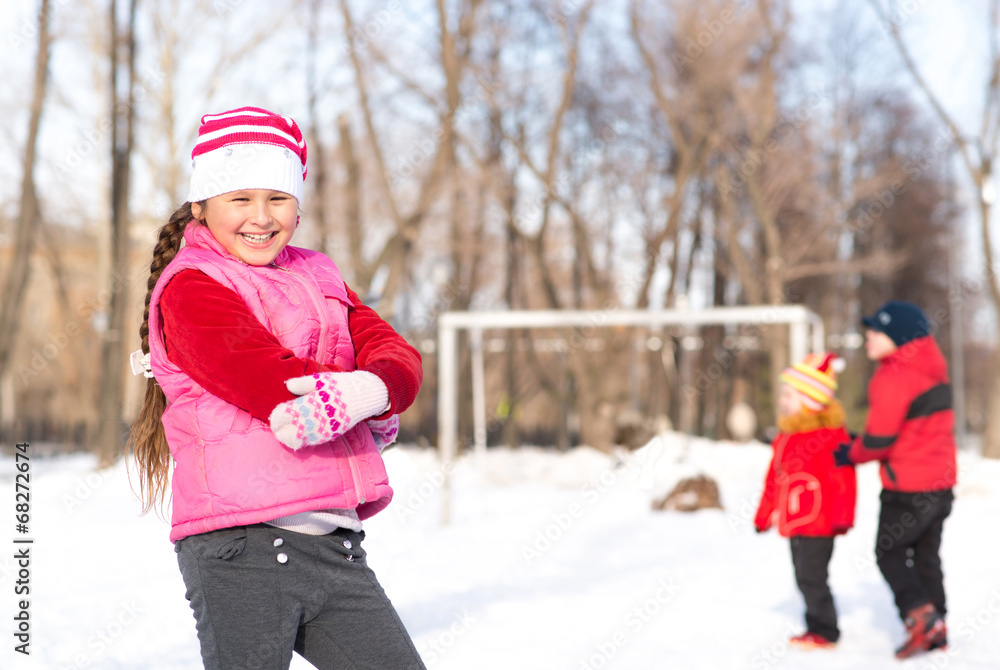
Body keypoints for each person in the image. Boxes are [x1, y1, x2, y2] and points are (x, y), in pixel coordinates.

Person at [127, 106, 426, 670]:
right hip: (242, 548)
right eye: (239, 198)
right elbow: (269, 380)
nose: (260, 217)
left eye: (278, 198)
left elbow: (398, 356)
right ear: (202, 205)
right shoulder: (192, 286)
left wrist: (374, 390)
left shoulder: (319, 273)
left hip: (335, 545)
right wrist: (365, 395)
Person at [834, 300, 957, 660]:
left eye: (877, 331)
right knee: (925, 554)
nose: (868, 337)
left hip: (907, 487)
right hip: (941, 486)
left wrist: (850, 453)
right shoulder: (934, 370)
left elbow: (879, 440)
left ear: (899, 336)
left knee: (888, 552)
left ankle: (921, 617)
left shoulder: (894, 374)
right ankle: (938, 625)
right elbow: (913, 429)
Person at [755, 352, 857, 650]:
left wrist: (843, 516)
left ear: (811, 400)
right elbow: (773, 479)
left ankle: (825, 630)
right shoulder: (786, 437)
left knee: (813, 576)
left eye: (789, 394)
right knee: (802, 575)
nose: (782, 400)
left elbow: (844, 480)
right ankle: (816, 626)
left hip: (821, 522)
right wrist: (764, 514)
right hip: (794, 522)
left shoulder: (832, 436)